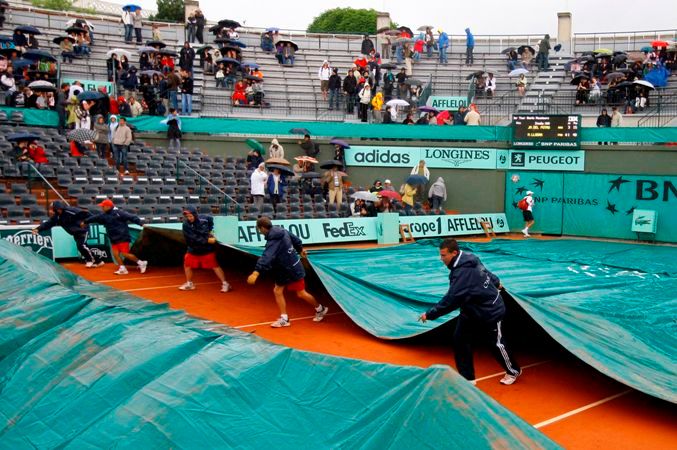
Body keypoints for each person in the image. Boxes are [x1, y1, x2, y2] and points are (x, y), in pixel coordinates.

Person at [418, 239, 522, 385]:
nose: (441, 259)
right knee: (460, 340)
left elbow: (451, 300)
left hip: (490, 311)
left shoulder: (462, 273)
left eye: (443, 255)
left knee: (495, 343)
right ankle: (468, 378)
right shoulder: (468, 257)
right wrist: (496, 281)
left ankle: (513, 371)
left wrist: (430, 314)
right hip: (470, 310)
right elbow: (485, 272)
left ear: (454, 253)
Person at [247, 216, 328, 328]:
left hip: (292, 269)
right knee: (277, 290)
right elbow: (296, 240)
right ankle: (284, 318)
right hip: (284, 268)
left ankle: (320, 309)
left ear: (263, 228)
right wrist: (300, 250)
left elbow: (267, 256)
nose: (259, 231)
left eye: (259, 229)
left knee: (301, 293)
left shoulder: (273, 240)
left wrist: (256, 272)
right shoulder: (282, 230)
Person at [84, 199, 147, 275]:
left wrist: (141, 224)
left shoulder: (119, 213)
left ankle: (141, 263)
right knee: (115, 254)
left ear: (108, 206)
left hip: (122, 236)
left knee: (124, 254)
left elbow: (132, 217)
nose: (102, 208)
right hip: (113, 238)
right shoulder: (104, 214)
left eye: (103, 206)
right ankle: (123, 269)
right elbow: (95, 218)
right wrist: (85, 221)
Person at [179, 206, 231, 292]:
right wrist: (207, 240)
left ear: (195, 215)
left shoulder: (206, 219)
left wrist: (211, 232)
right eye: (187, 216)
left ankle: (225, 284)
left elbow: (212, 223)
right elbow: (191, 238)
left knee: (215, 266)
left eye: (190, 216)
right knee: (187, 265)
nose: (189, 218)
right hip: (193, 249)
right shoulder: (186, 225)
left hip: (207, 249)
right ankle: (189, 283)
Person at [33, 201, 102, 267]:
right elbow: (48, 223)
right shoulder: (56, 217)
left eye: (59, 208)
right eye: (57, 209)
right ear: (55, 209)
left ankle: (90, 260)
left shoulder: (71, 210)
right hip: (75, 233)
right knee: (80, 247)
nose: (59, 210)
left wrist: (86, 221)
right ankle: (98, 261)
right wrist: (38, 229)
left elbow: (85, 214)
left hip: (83, 230)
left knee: (82, 245)